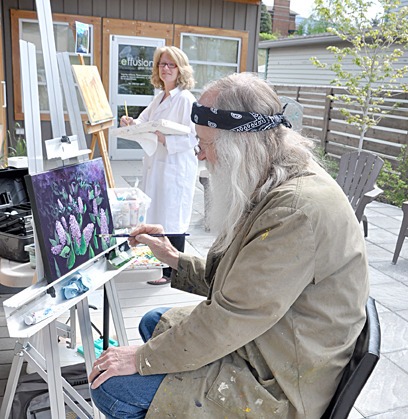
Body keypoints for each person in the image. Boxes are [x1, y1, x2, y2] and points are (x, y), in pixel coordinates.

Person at [90, 72, 369, 418]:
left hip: (281, 379)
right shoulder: (273, 173)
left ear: (240, 146)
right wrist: (174, 258)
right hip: (270, 339)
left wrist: (140, 358)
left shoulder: (296, 211)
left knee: (111, 389)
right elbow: (247, 287)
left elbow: (232, 316)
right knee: (153, 321)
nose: (200, 157)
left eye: (204, 144)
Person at [120, 46, 198, 285]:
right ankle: (161, 264)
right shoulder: (160, 98)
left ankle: (172, 272)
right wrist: (129, 121)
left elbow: (194, 137)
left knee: (173, 217)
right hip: (159, 165)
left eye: (171, 65)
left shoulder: (185, 100)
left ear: (180, 69)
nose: (165, 68)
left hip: (176, 167)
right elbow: (143, 122)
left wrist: (165, 138)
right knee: (160, 213)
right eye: (162, 64)